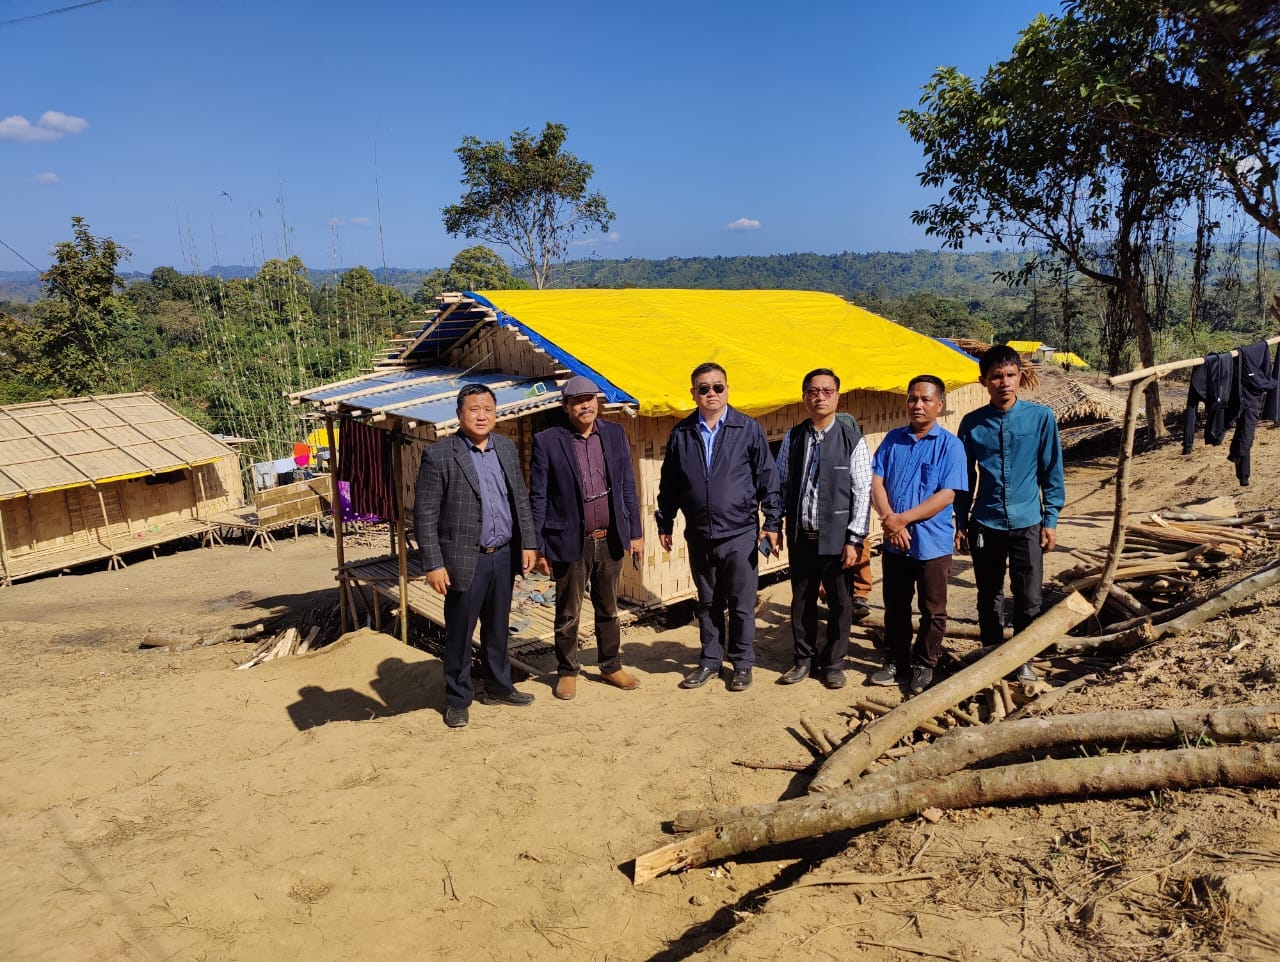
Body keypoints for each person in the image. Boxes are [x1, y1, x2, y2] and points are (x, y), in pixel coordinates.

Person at [414, 384, 538, 729]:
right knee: (460, 631)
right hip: (463, 559)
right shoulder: (440, 455)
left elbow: (520, 500)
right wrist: (434, 563)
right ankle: (458, 698)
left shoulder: (506, 449)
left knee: (497, 628)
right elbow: (424, 515)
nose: (481, 415)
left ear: (496, 413)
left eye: (488, 409)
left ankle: (499, 686)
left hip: (503, 555)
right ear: (459, 414)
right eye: (474, 409)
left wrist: (528, 542)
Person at [656, 362, 779, 692]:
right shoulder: (682, 433)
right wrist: (664, 520)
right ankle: (710, 660)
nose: (711, 393)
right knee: (708, 602)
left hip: (739, 532)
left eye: (718, 387)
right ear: (693, 393)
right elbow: (670, 483)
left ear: (727, 389)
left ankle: (741, 663)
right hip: (699, 533)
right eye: (704, 388)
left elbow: (768, 479)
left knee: (741, 603)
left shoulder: (746, 429)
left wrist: (773, 521)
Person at [529, 375, 644, 701]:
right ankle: (567, 671)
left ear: (597, 401)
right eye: (578, 400)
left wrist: (635, 531)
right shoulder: (548, 441)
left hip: (609, 538)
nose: (585, 405)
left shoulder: (614, 433)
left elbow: (627, 486)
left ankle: (610, 665)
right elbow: (538, 496)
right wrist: (538, 545)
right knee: (568, 611)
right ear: (566, 406)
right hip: (570, 541)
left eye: (590, 398)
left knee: (608, 607)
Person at [954, 346, 1065, 682]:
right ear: (983, 381)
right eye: (997, 377)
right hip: (985, 522)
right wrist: (961, 523)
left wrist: (1051, 519)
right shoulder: (972, 424)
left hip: (1028, 521)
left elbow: (1051, 472)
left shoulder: (1040, 418)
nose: (1004, 383)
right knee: (988, 595)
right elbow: (964, 480)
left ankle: (1023, 658)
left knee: (1029, 596)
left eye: (1011, 375)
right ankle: (991, 655)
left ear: (1020, 376)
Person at [764, 369, 872, 690]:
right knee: (802, 600)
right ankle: (803, 660)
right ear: (804, 396)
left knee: (841, 603)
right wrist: (775, 524)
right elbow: (779, 484)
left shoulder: (852, 440)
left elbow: (863, 491)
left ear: (837, 396)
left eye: (827, 391)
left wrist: (855, 539)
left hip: (838, 541)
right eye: (814, 391)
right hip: (802, 537)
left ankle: (835, 663)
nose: (820, 397)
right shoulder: (794, 438)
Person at [868, 375, 967, 694]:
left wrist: (901, 521)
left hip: (931, 543)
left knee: (932, 609)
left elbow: (947, 495)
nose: (918, 405)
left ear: (940, 404)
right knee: (895, 605)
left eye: (925, 399)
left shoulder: (950, 446)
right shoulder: (892, 440)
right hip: (895, 543)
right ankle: (896, 659)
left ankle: (924, 662)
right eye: (912, 398)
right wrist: (889, 520)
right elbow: (876, 482)